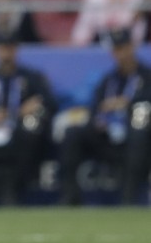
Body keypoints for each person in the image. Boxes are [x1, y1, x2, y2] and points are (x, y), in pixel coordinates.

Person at [59, 28, 151, 205]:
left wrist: (127, 105)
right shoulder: (108, 79)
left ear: (131, 47)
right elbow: (95, 108)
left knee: (139, 133)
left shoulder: (147, 77)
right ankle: (70, 196)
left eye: (123, 48)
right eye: (116, 50)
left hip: (137, 136)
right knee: (73, 133)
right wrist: (99, 119)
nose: (120, 54)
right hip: (107, 134)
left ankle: (129, 197)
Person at [0, 29, 56, 206]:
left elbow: (48, 104)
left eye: (9, 47)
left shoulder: (31, 77)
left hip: (18, 133)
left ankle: (12, 188)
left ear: (16, 49)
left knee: (32, 131)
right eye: (2, 47)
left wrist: (17, 115)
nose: (6, 52)